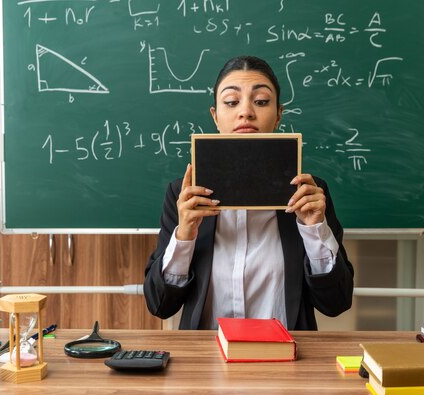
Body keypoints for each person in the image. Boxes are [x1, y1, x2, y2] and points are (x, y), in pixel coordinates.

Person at [143, 55, 354, 330]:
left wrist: (315, 228)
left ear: (279, 114)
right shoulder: (183, 195)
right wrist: (184, 236)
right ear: (215, 116)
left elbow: (336, 303)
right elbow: (160, 305)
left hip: (287, 361)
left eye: (262, 101)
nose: (246, 112)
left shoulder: (310, 193)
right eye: (231, 102)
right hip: (205, 363)